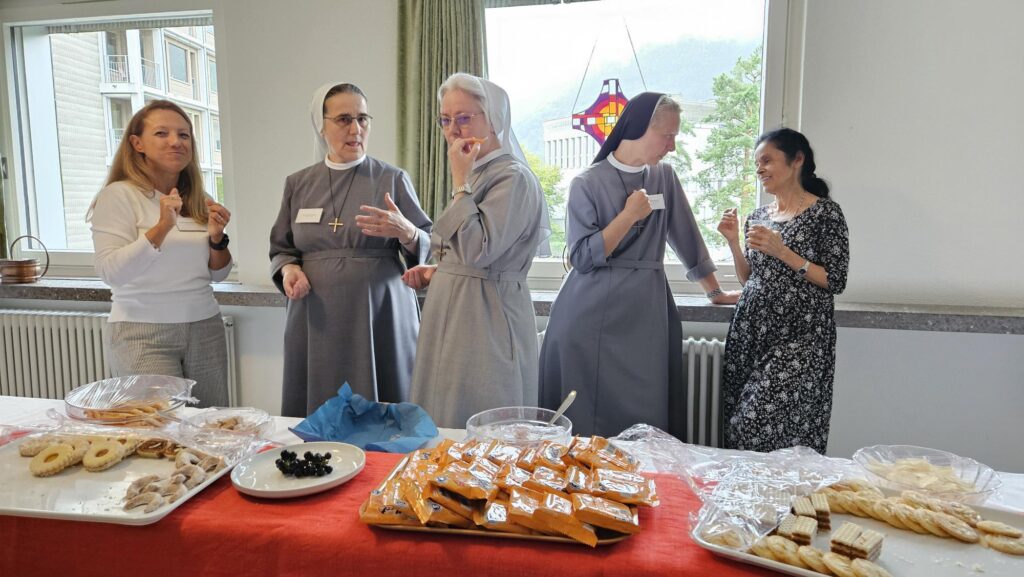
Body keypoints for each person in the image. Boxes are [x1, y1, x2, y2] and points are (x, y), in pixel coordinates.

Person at [538, 92, 737, 439]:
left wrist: (714, 291)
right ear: (641, 127)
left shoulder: (664, 177)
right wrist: (628, 216)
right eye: (668, 136)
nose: (672, 146)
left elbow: (686, 238)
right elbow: (582, 258)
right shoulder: (587, 183)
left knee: (646, 415)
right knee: (586, 421)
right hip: (588, 315)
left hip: (645, 313)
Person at [270, 83, 433, 417]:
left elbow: (430, 244)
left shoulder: (392, 179)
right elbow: (282, 248)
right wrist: (290, 269)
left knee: (384, 412)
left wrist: (407, 232)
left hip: (379, 313)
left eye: (362, 119)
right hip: (316, 317)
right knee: (321, 406)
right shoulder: (298, 184)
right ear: (321, 126)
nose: (355, 129)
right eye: (344, 119)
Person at [403, 73, 549, 429]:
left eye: (464, 118)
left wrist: (459, 183)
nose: (453, 129)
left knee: (481, 416)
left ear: (494, 119)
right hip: (454, 310)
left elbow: (478, 250)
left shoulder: (513, 177)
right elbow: (463, 252)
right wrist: (439, 272)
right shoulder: (479, 173)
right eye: (445, 120)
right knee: (442, 410)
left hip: (486, 317)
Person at [88, 100, 233, 407]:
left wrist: (217, 239)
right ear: (137, 143)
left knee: (213, 424)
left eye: (184, 135)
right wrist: (162, 227)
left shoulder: (199, 199)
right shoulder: (118, 195)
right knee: (160, 426)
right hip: (142, 331)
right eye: (162, 133)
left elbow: (217, 274)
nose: (176, 141)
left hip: (205, 326)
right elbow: (111, 272)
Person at [717, 127, 849, 454]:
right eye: (756, 164)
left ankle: (789, 484)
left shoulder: (825, 214)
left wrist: (783, 252)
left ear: (797, 160)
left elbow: (835, 279)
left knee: (754, 426)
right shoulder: (759, 216)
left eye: (767, 161)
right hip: (751, 332)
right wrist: (733, 242)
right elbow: (750, 278)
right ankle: (755, 487)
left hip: (800, 336)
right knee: (737, 426)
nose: (759, 169)